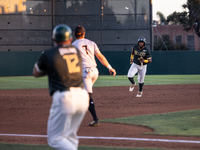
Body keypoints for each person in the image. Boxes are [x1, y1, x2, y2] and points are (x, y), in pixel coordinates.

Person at [33, 24, 89, 150]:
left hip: (65, 97)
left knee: (55, 139)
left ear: (53, 39)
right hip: (82, 96)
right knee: (70, 137)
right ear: (70, 39)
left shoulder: (49, 54)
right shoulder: (77, 52)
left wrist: (50, 67)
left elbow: (36, 73)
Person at [72, 25, 116, 126]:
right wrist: (110, 67)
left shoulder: (73, 45)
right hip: (95, 72)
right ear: (84, 33)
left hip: (85, 72)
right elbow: (100, 57)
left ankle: (95, 119)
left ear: (74, 35)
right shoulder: (91, 43)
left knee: (86, 96)